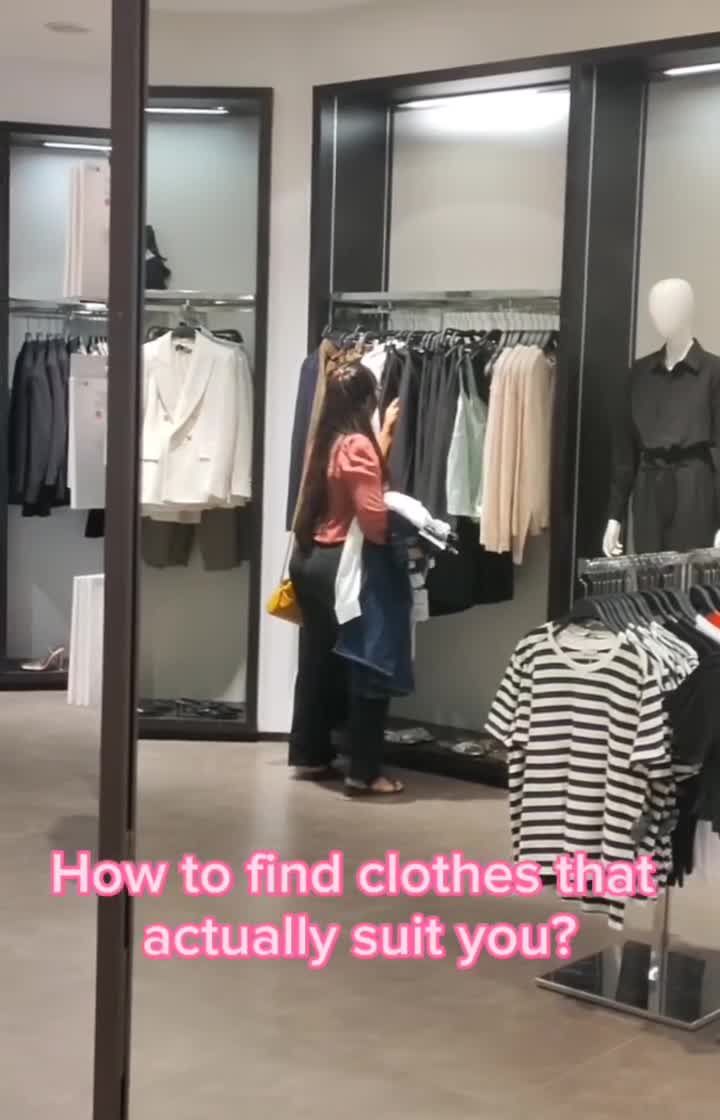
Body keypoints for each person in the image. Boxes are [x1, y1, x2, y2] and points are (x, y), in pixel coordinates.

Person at [288, 359, 404, 797]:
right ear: (366, 401)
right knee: (369, 664)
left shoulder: (326, 440)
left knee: (318, 662)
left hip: (310, 559)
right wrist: (401, 533)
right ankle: (364, 771)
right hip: (344, 563)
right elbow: (371, 517)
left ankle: (310, 753)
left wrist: (385, 435)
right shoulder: (356, 445)